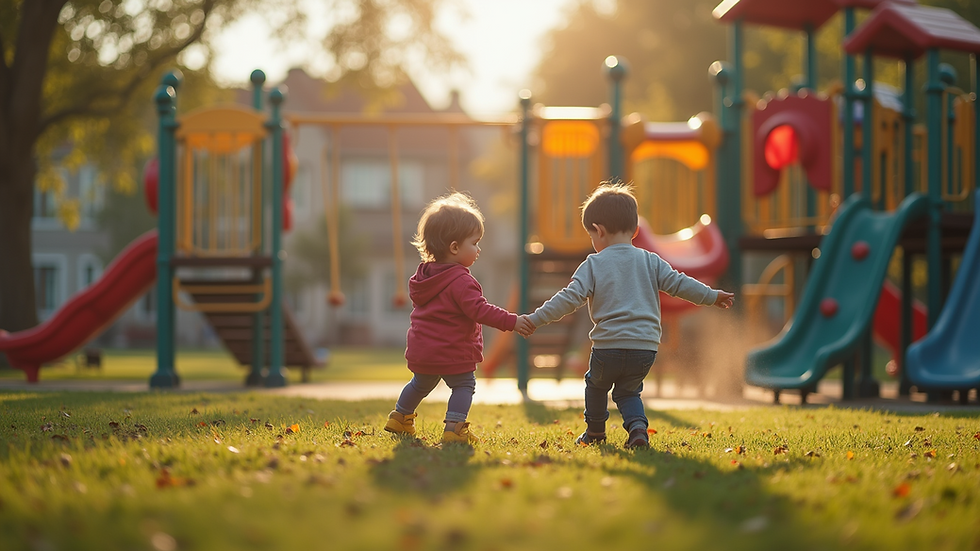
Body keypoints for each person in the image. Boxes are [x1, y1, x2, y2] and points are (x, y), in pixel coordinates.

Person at [524, 181, 735, 449]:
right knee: (628, 391)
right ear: (635, 230)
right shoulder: (651, 260)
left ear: (598, 231)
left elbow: (568, 299)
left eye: (591, 236)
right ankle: (637, 428)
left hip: (608, 346)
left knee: (596, 386)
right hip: (644, 348)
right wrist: (712, 296)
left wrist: (536, 318)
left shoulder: (594, 264)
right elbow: (680, 284)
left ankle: (596, 433)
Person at [384, 191, 535, 444]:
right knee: (464, 385)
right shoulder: (461, 281)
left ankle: (399, 416)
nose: (478, 249)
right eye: (474, 243)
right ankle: (454, 427)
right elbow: (481, 310)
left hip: (423, 350)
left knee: (420, 383)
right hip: (452, 350)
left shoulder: (424, 277)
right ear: (454, 247)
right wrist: (513, 321)